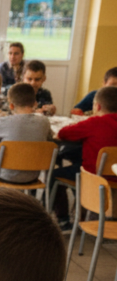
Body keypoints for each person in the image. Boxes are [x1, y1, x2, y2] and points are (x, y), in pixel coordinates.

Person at [53, 86, 117, 228]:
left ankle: (63, 218)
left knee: (54, 175)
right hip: (115, 176)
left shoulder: (94, 123)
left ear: (97, 106)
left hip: (94, 177)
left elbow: (63, 133)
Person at [0, 83, 52, 185]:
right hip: (32, 176)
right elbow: (50, 138)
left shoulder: (6, 121)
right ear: (35, 103)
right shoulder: (45, 122)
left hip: (5, 175)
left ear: (11, 105)